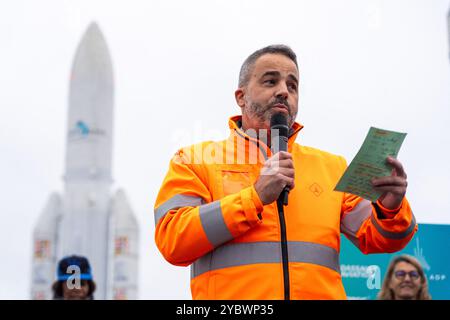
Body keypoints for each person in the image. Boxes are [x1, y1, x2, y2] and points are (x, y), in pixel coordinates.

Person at [154, 44, 417, 299]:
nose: (283, 91)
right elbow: (172, 240)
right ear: (241, 97)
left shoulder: (332, 167)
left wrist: (390, 208)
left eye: (292, 86)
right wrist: (254, 198)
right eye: (270, 81)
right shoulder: (194, 160)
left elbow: (384, 241)